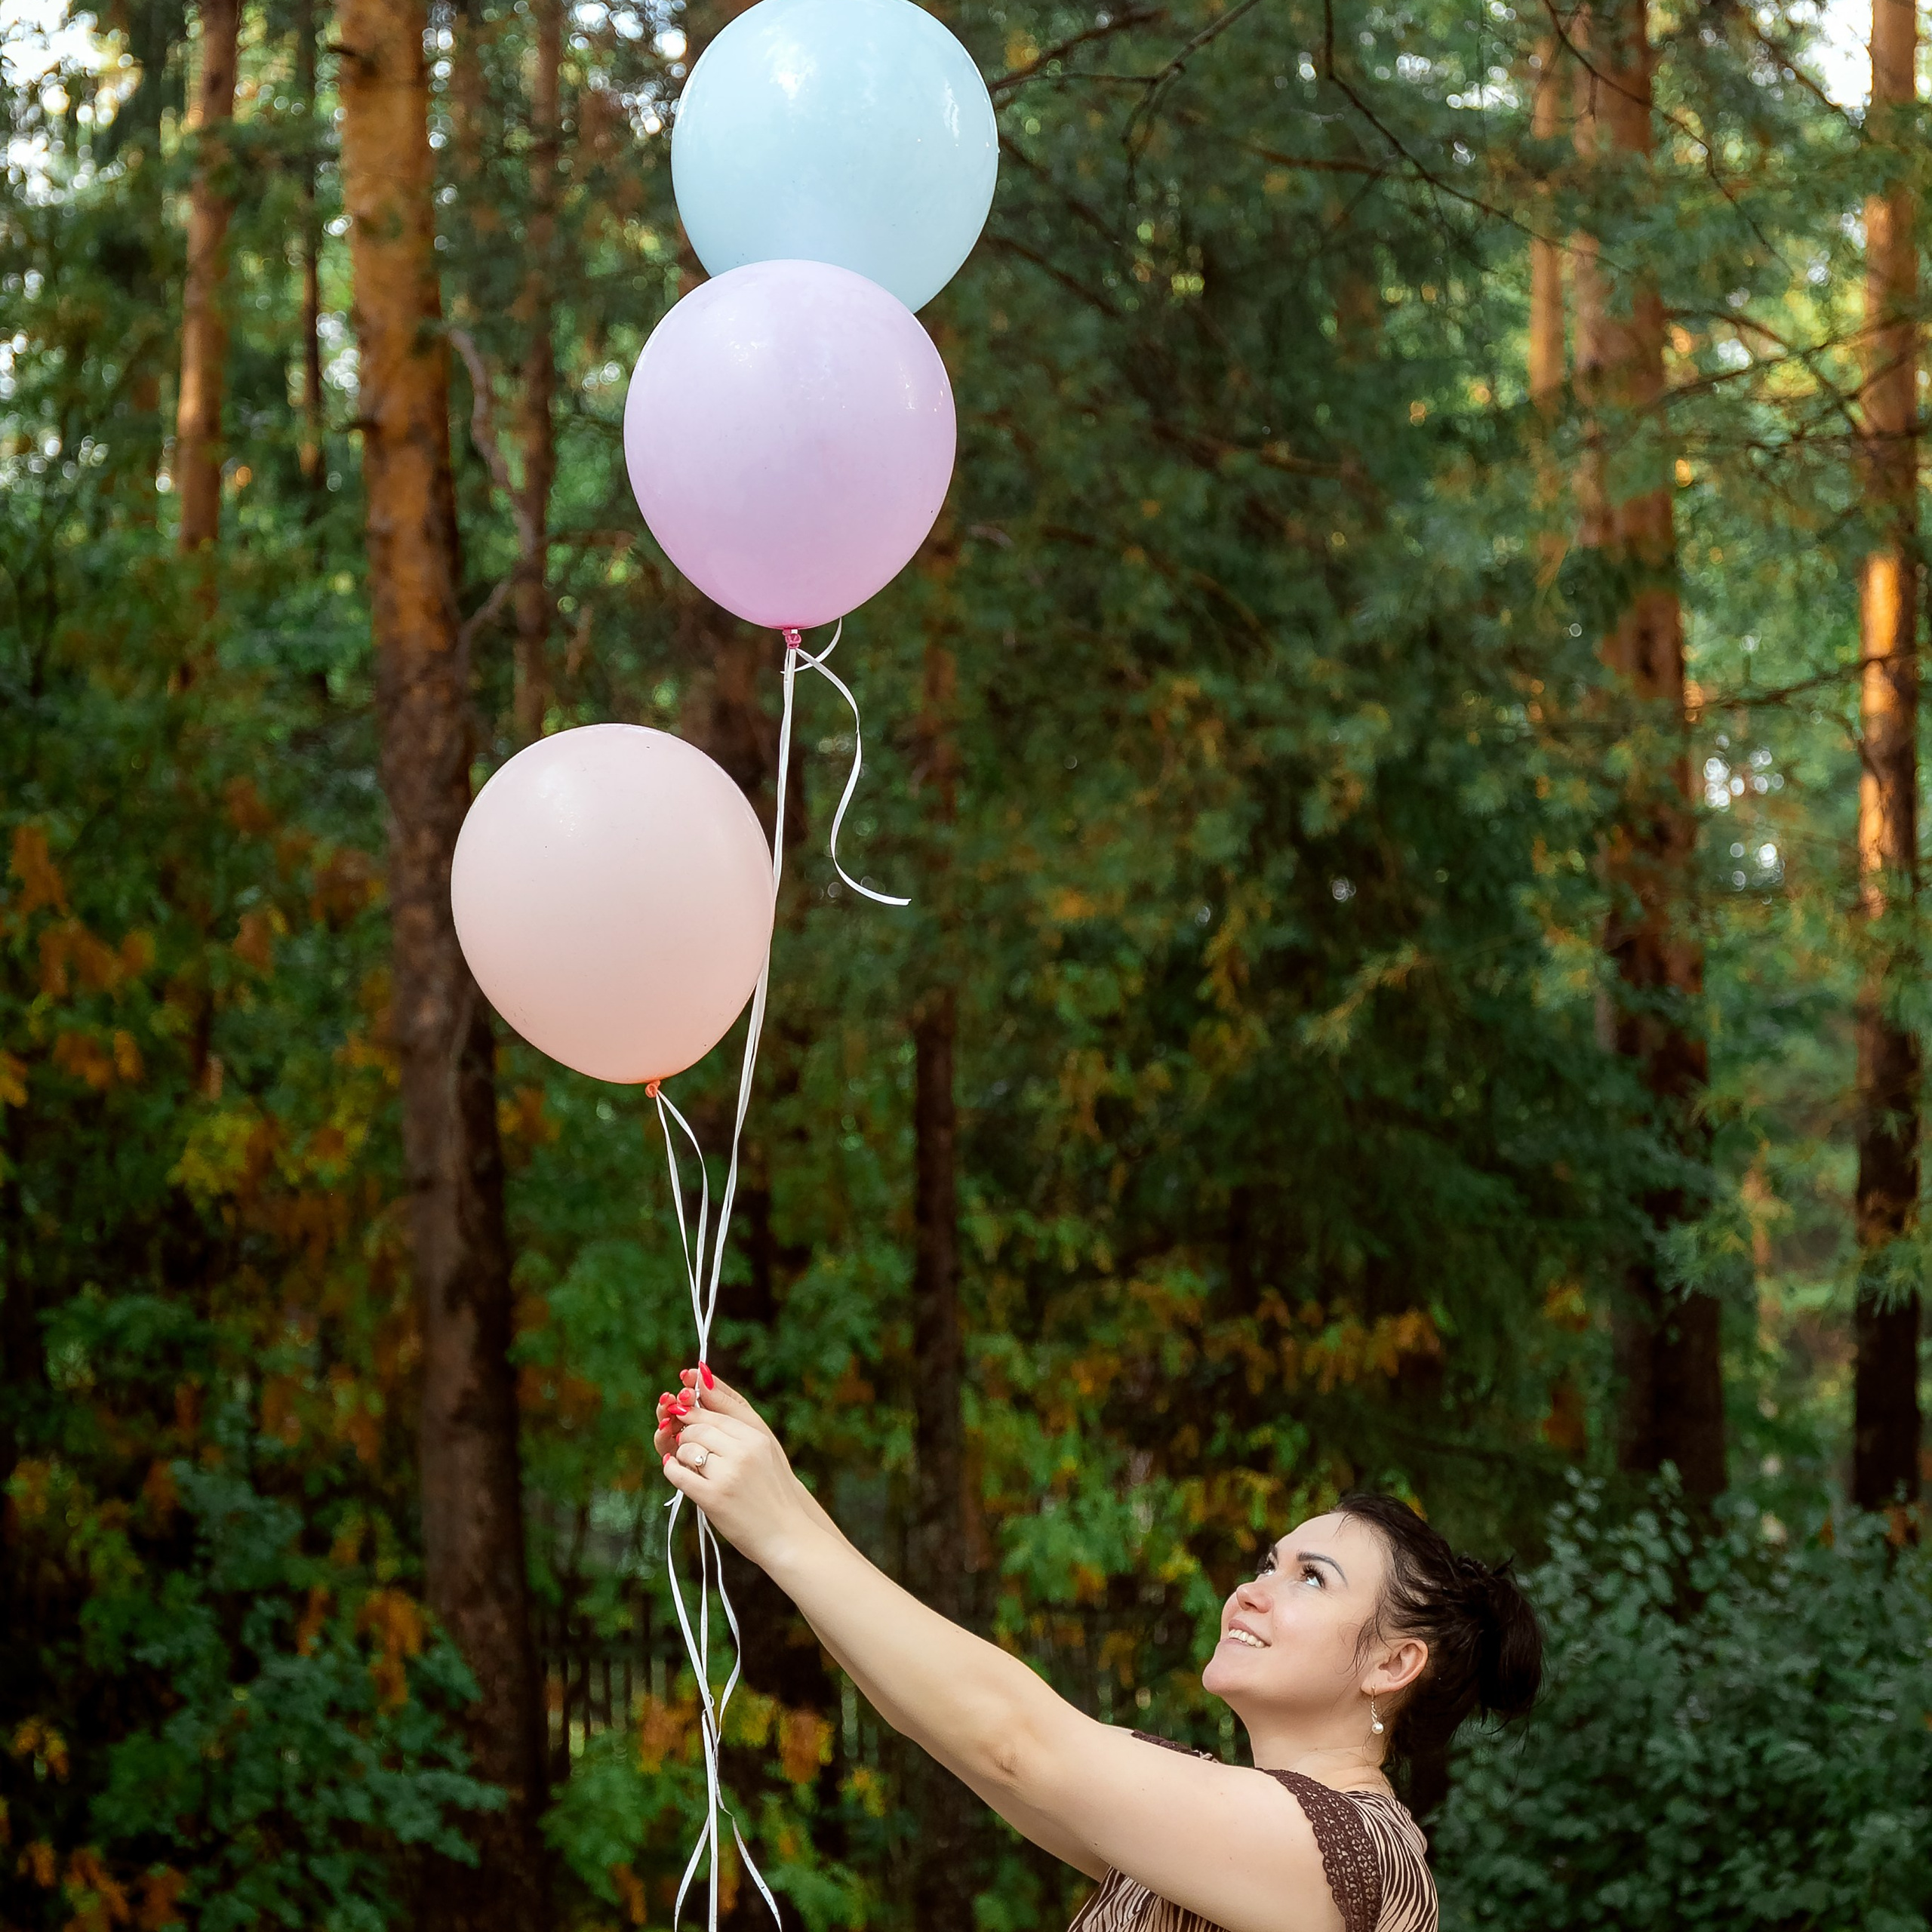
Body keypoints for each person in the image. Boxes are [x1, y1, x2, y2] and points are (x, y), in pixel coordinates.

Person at [653, 1368, 1541, 1932]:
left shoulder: (1348, 1848)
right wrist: (777, 1496)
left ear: (1392, 1664)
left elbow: (1015, 1740)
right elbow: (947, 1727)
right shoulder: (1216, 1820)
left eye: (1311, 1578)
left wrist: (783, 1531)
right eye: (1266, 1564)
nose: (1250, 1589)